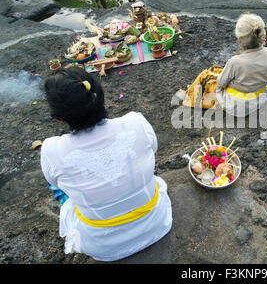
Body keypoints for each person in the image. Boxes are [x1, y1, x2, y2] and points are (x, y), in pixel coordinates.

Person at [40, 67, 172, 262]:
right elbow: (152, 149)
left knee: (57, 180)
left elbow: (56, 183)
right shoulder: (135, 122)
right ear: (101, 96)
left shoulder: (52, 150)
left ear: (59, 119)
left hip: (104, 247)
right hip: (156, 223)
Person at [181, 13, 267, 117]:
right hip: (258, 102)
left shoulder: (235, 61)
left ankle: (190, 93)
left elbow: (220, 83)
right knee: (219, 69)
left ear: (240, 41)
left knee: (206, 75)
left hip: (235, 107)